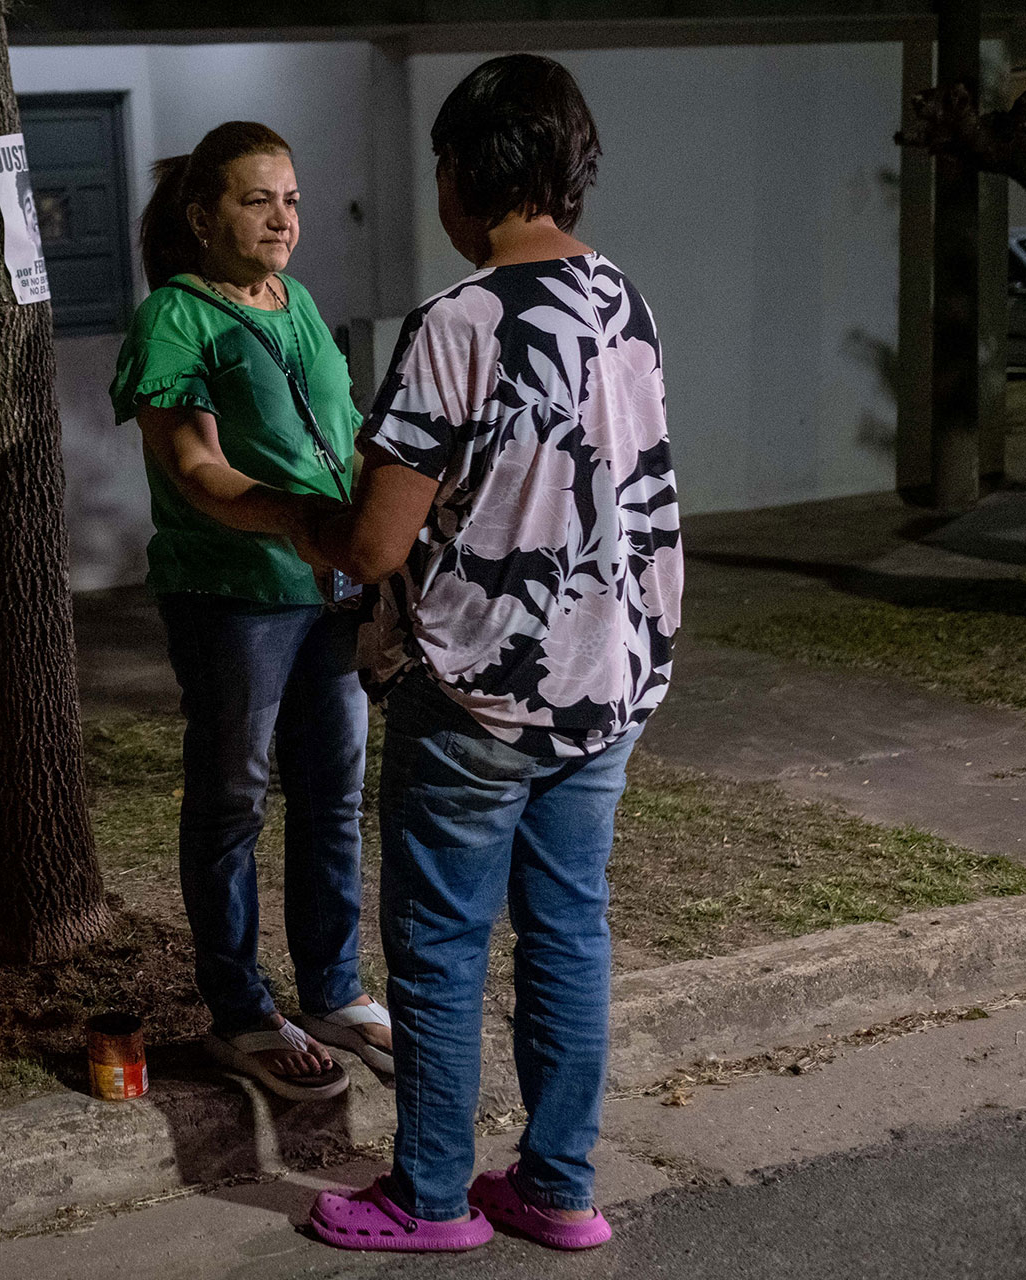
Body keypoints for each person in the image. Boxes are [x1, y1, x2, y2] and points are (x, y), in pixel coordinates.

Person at [296, 56, 682, 1254]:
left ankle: (428, 1195)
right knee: (570, 929)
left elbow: (373, 541)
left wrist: (254, 502)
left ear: (466, 170)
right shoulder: (624, 299)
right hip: (604, 680)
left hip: (475, 691)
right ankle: (559, 1184)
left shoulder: (458, 322)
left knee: (442, 944)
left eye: (441, 168)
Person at [108, 121, 394, 1104]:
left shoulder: (297, 302)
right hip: (234, 596)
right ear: (203, 216)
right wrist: (302, 521)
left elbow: (346, 437)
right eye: (257, 199)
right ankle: (237, 1008)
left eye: (293, 199)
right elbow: (195, 468)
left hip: (326, 586)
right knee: (234, 796)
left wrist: (378, 537)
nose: (282, 218)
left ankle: (330, 987)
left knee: (333, 790)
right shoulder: (173, 320)